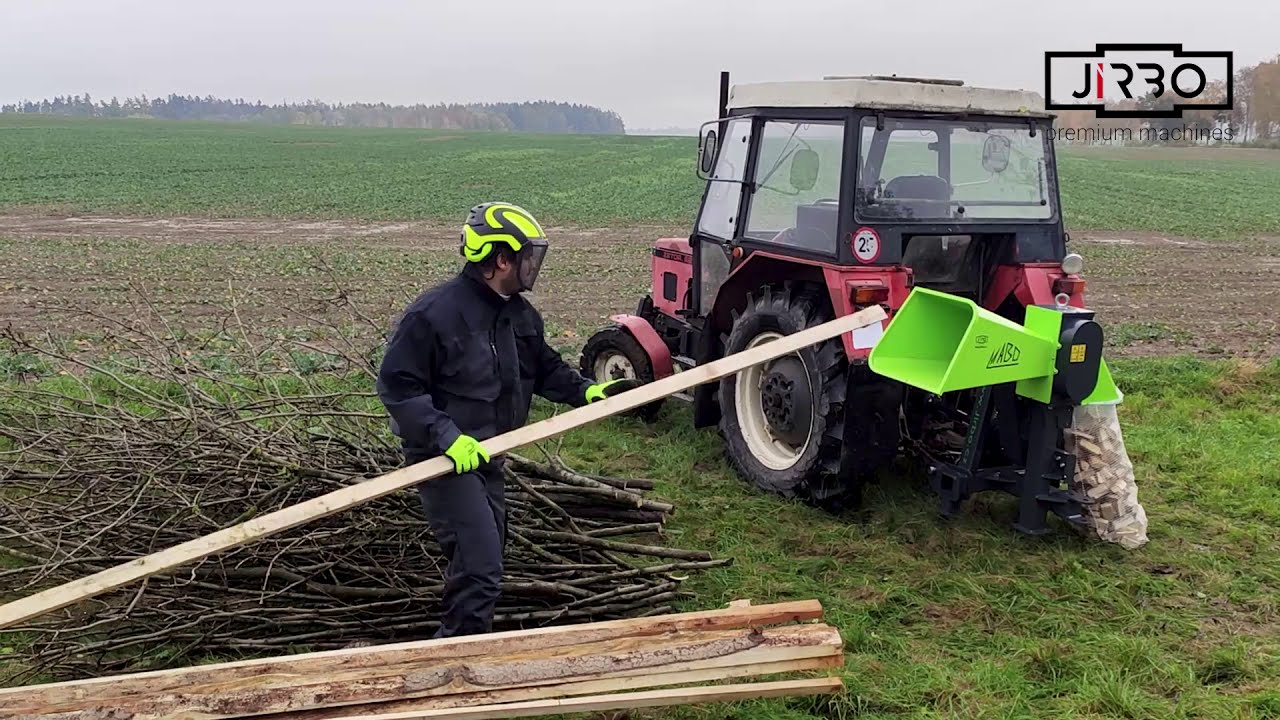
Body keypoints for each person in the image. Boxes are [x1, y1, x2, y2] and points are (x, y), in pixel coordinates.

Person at [376, 201, 638, 638]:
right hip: (444, 460)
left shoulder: (518, 314)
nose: (532, 267)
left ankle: (462, 646)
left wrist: (588, 391)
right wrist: (446, 436)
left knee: (486, 558)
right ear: (500, 259)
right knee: (481, 568)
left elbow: (546, 368)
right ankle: (455, 661)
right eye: (526, 258)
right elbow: (398, 386)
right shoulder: (433, 315)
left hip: (490, 456)